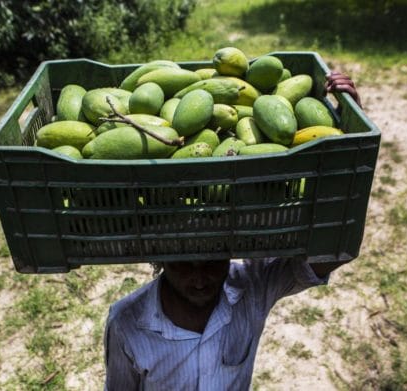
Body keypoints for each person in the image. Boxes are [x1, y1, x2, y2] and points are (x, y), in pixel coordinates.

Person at [103, 72, 361, 390]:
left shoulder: (250, 289)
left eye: (212, 260)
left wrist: (347, 140)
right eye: (184, 262)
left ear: (231, 249)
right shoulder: (127, 323)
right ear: (160, 256)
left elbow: (334, 250)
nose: (199, 278)